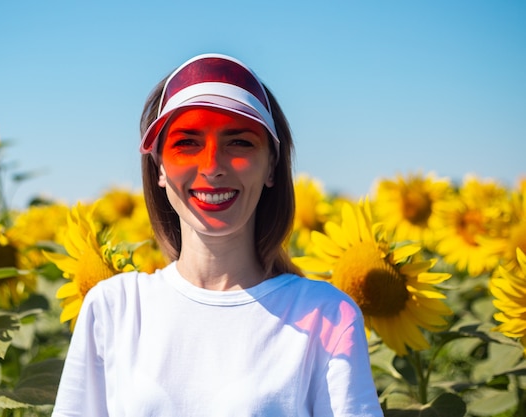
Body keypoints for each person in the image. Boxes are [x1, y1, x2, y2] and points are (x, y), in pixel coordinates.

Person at [52, 53, 383, 417]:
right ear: (159, 166)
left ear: (272, 164)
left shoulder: (326, 315)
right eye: (187, 143)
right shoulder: (114, 308)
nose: (211, 168)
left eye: (239, 143)